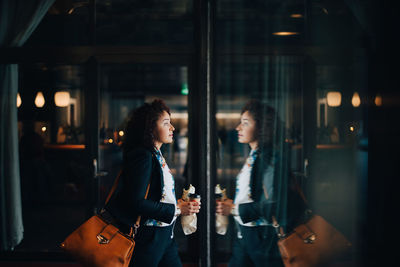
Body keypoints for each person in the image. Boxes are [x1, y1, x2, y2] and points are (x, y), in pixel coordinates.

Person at [104, 99, 200, 267]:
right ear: (150, 128)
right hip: (150, 237)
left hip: (164, 235)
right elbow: (136, 202)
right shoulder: (143, 156)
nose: (172, 128)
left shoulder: (156, 155)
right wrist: (177, 209)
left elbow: (156, 195)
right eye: (166, 123)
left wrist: (177, 205)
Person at [216, 100, 306, 267]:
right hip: (247, 234)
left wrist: (234, 209)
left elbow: (273, 205)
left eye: (245, 123)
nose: (238, 128)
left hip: (263, 238)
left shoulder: (269, 158)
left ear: (262, 127)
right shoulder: (255, 156)